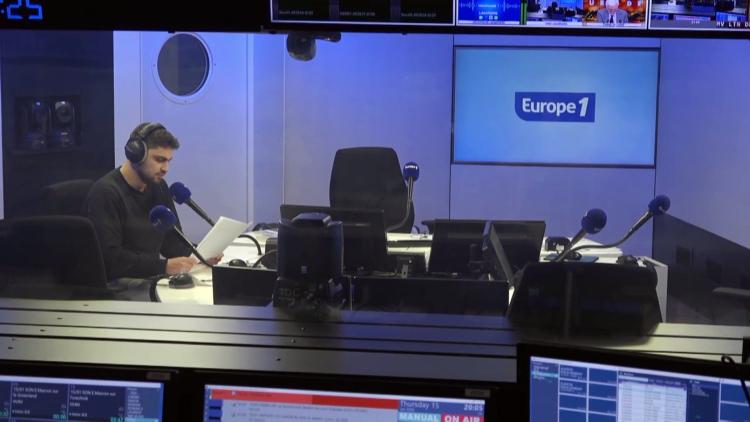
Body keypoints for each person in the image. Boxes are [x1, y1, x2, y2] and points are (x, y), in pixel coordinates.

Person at [86, 122, 219, 282]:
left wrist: (200, 256)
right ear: (136, 154)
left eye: (169, 161)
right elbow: (111, 260)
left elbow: (172, 243)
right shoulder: (105, 193)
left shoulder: (159, 187)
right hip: (119, 285)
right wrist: (163, 266)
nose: (165, 168)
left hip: (149, 279)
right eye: (159, 159)